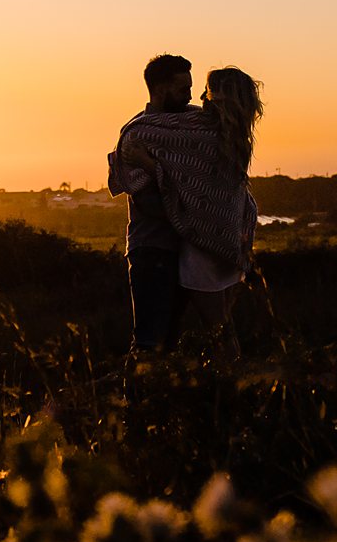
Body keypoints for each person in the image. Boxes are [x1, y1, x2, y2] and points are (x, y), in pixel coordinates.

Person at [114, 66, 263, 356]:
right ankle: (226, 387)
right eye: (187, 89)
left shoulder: (197, 133)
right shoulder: (232, 135)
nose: (197, 96)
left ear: (217, 96)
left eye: (205, 90)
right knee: (215, 331)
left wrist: (147, 163)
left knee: (189, 335)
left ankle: (223, 389)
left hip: (200, 249)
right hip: (226, 244)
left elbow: (183, 182)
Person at [107, 54, 192, 351]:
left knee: (171, 342)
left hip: (184, 251)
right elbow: (148, 203)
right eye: (183, 89)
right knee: (148, 340)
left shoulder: (190, 128)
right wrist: (187, 211)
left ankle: (162, 396)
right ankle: (137, 396)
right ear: (159, 88)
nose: (189, 97)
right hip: (152, 250)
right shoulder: (137, 134)